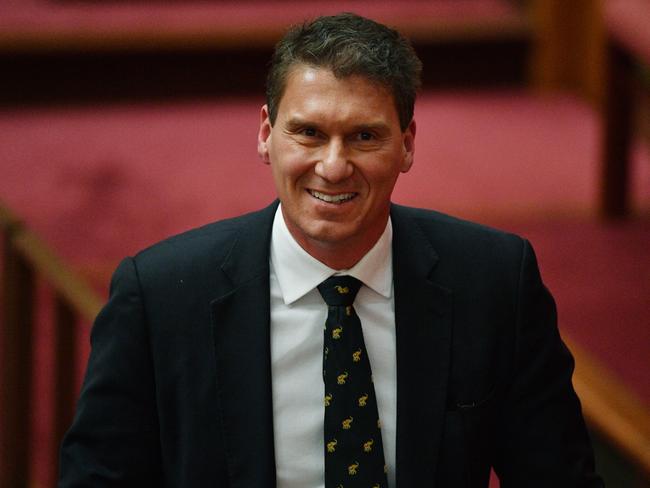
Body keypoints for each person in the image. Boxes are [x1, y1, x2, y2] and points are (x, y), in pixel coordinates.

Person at [59, 13, 603, 488]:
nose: (334, 166)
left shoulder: (494, 281)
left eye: (364, 137)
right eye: (309, 133)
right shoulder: (159, 296)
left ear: (408, 144)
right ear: (266, 134)